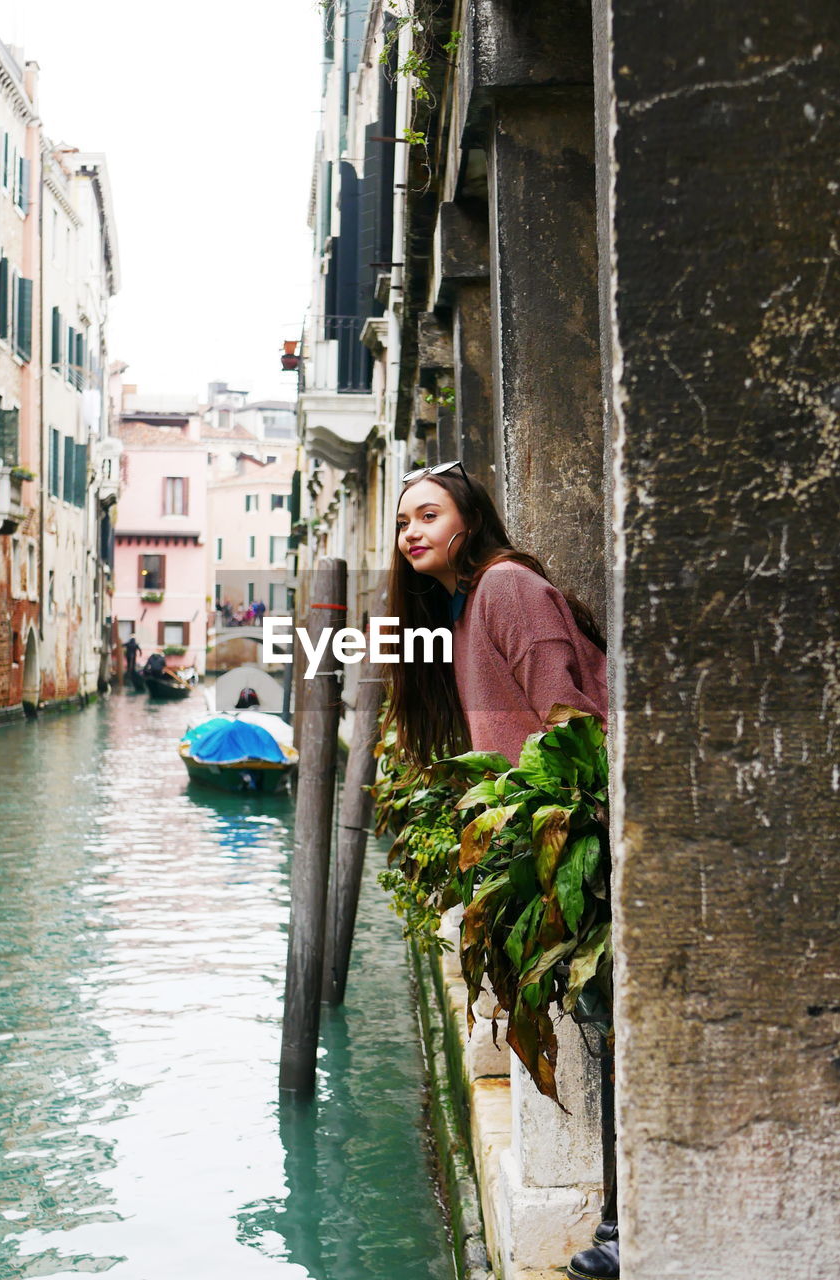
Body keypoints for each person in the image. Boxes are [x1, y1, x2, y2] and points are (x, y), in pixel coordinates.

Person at [386, 460, 617, 1280]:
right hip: (544, 841)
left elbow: (568, 715)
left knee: (604, 1021)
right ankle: (621, 1222)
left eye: (425, 514)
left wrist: (562, 829)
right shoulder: (468, 602)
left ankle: (626, 1229)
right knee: (592, 1022)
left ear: (468, 518)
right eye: (402, 521)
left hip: (574, 835)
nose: (409, 531)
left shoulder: (508, 587)